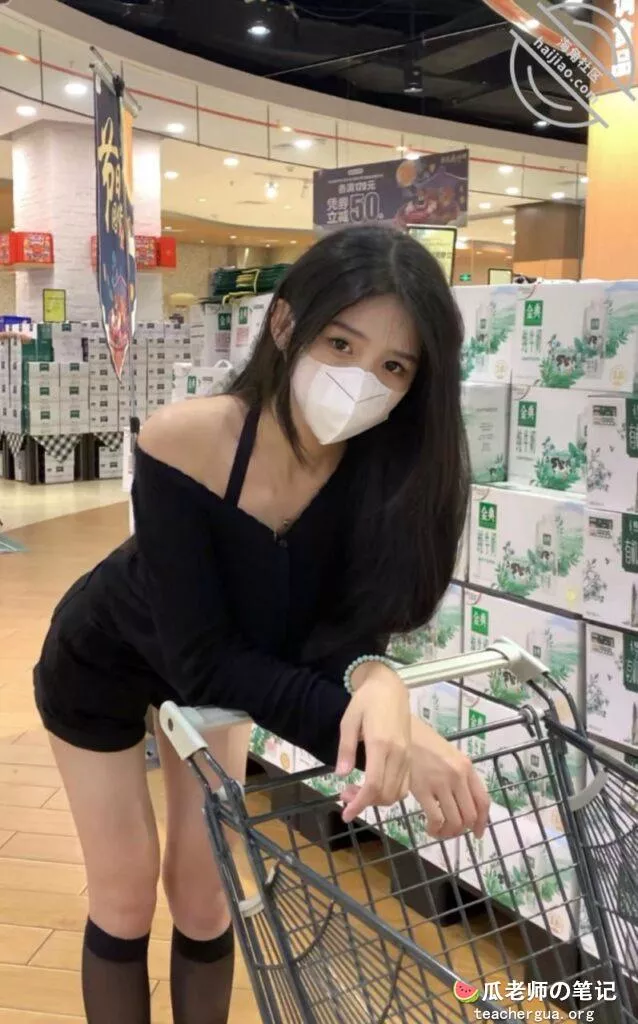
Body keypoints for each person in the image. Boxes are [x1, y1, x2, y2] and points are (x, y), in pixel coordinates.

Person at [33, 224, 490, 1024]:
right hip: (106, 658)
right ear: (285, 323)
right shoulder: (187, 439)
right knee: (125, 888)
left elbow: (337, 629)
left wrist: (375, 678)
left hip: (225, 677)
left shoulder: (381, 472)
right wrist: (381, 738)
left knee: (206, 891)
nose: (359, 380)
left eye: (393, 366)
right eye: (340, 343)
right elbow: (206, 658)